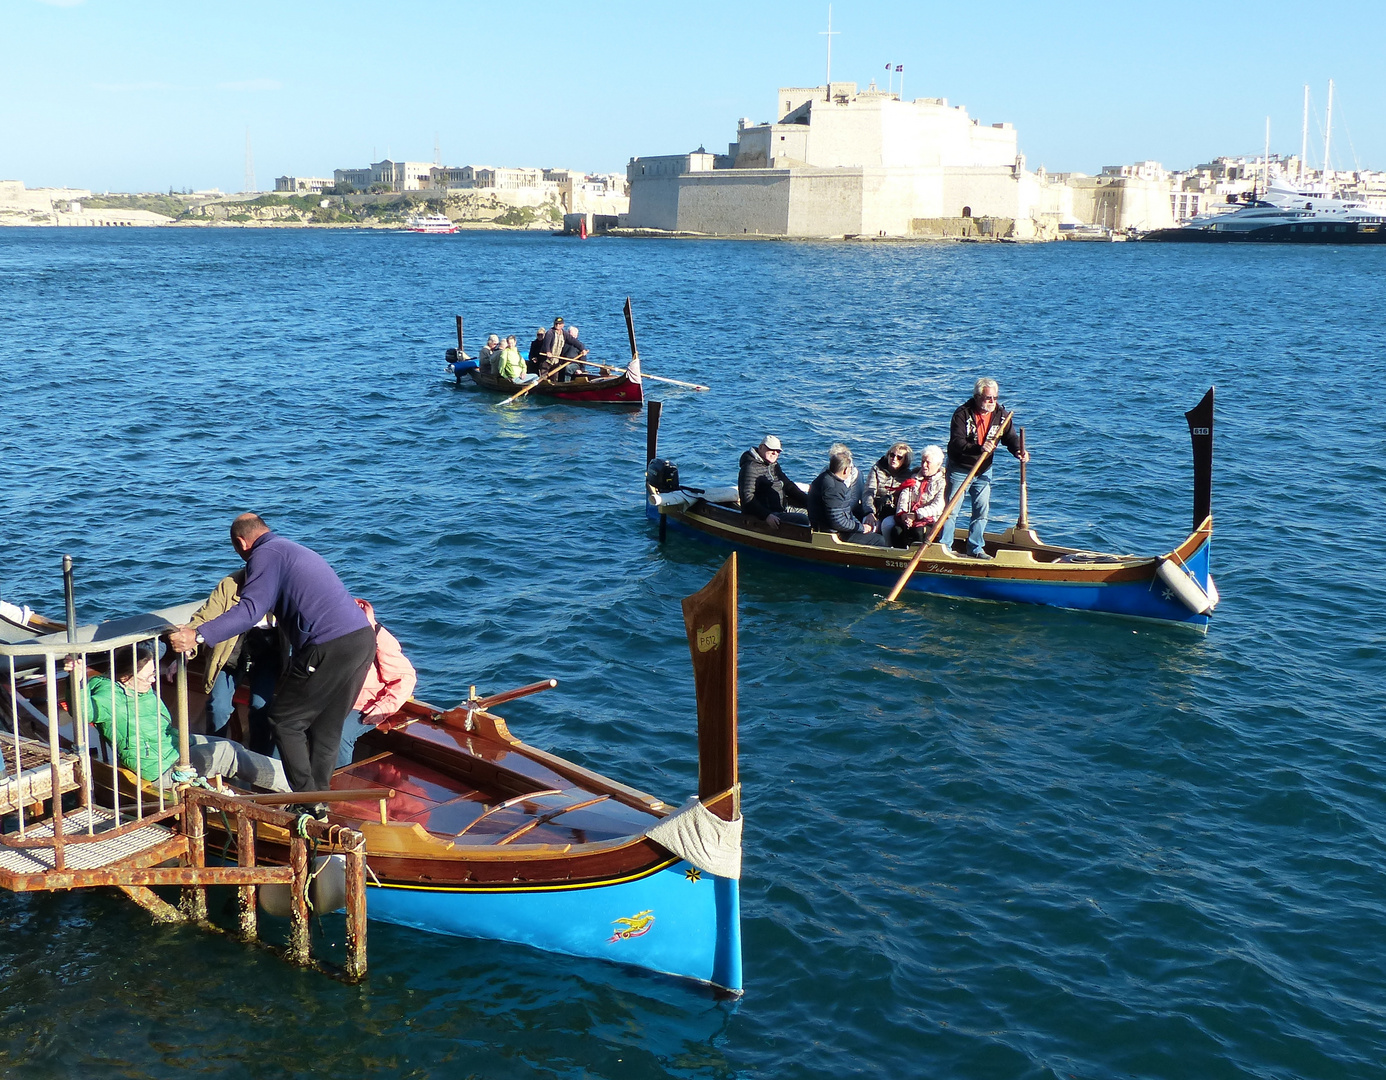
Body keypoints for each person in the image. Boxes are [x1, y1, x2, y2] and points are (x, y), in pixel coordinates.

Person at [168, 514, 376, 816]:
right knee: (327, 727)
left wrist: (198, 635)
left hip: (327, 645)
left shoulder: (264, 554)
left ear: (241, 543)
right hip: (361, 641)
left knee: (284, 720)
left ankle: (307, 799)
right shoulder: (291, 549)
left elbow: (251, 609)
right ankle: (318, 802)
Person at [86, 641, 289, 791]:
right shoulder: (108, 699)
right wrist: (75, 682)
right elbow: (83, 711)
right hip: (162, 769)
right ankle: (296, 788)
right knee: (227, 753)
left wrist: (180, 656)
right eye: (149, 677)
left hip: (171, 745)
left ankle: (285, 779)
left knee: (233, 746)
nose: (154, 680)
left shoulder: (136, 686)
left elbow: (160, 647)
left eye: (154, 673)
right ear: (125, 678)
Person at [942, 377, 1028, 559]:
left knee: (981, 510)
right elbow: (956, 443)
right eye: (988, 398)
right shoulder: (962, 414)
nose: (992, 402)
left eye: (995, 398)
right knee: (951, 510)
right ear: (977, 396)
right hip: (960, 468)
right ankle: (944, 548)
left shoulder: (1001, 415)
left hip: (983, 470)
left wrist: (1019, 451)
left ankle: (975, 548)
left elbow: (1010, 438)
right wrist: (978, 448)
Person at [335, 599, 418, 768]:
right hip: (332, 700)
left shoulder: (378, 636)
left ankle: (337, 786)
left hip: (365, 705)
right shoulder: (325, 632)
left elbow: (405, 677)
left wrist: (382, 709)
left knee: (340, 734)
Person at [806, 443, 887, 547]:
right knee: (879, 540)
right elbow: (837, 521)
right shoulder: (834, 488)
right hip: (833, 533)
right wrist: (861, 528)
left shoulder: (825, 478)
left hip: (829, 527)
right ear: (845, 470)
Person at [737, 435, 809, 529]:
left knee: (817, 513)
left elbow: (788, 486)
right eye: (771, 449)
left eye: (778, 451)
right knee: (803, 519)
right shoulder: (750, 468)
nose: (775, 453)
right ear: (761, 447)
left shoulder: (773, 465)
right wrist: (766, 515)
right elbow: (747, 498)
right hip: (768, 515)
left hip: (782, 509)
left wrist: (809, 501)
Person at [892, 445, 946, 547]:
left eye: (928, 463)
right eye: (922, 462)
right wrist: (903, 514)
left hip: (928, 519)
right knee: (896, 531)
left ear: (938, 464)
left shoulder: (942, 482)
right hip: (910, 516)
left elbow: (938, 506)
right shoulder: (914, 477)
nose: (924, 465)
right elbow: (904, 497)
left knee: (919, 532)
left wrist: (917, 515)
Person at [865, 442, 913, 539]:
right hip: (875, 509)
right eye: (892, 455)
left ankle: (887, 548)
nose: (894, 459)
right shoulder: (876, 470)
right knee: (869, 526)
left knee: (887, 525)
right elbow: (868, 493)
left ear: (905, 461)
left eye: (899, 457)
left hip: (892, 511)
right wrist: (869, 512)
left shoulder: (908, 475)